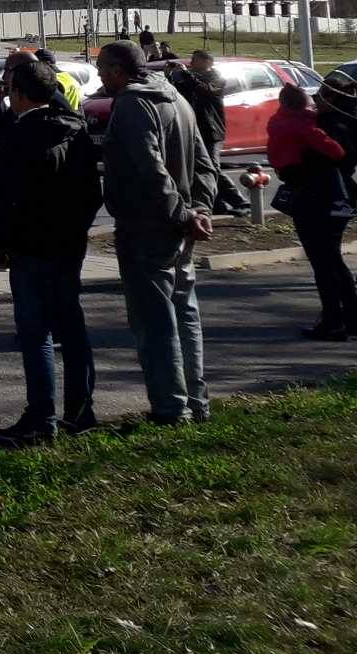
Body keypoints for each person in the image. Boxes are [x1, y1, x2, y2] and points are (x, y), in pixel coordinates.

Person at [97, 41, 218, 425]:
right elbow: (204, 164)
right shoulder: (176, 97)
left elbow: (150, 169)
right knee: (184, 314)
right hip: (177, 227)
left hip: (148, 227)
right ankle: (195, 403)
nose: (99, 75)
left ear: (118, 69)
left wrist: (186, 214)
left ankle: (171, 409)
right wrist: (198, 209)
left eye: (102, 68)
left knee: (155, 321)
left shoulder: (134, 104)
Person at [0, 57, 101, 444]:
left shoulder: (19, 138)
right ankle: (80, 410)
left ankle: (41, 418)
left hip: (31, 246)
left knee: (35, 334)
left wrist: (0, 245)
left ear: (18, 94)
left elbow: (5, 198)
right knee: (72, 325)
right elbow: (91, 193)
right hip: (69, 244)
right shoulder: (76, 129)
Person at [265, 83, 356, 342]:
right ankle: (347, 317)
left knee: (323, 261)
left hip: (313, 198)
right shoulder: (322, 125)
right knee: (331, 259)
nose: (314, 103)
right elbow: (339, 154)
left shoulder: (290, 123)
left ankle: (333, 321)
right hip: (332, 197)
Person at [167, 52, 249, 216]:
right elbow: (178, 93)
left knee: (212, 167)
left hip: (212, 130)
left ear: (208, 62)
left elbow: (207, 90)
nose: (191, 62)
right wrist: (170, 76)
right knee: (200, 168)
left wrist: (186, 73)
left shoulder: (217, 78)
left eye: (195, 60)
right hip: (195, 130)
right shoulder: (191, 78)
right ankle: (218, 203)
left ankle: (241, 201)